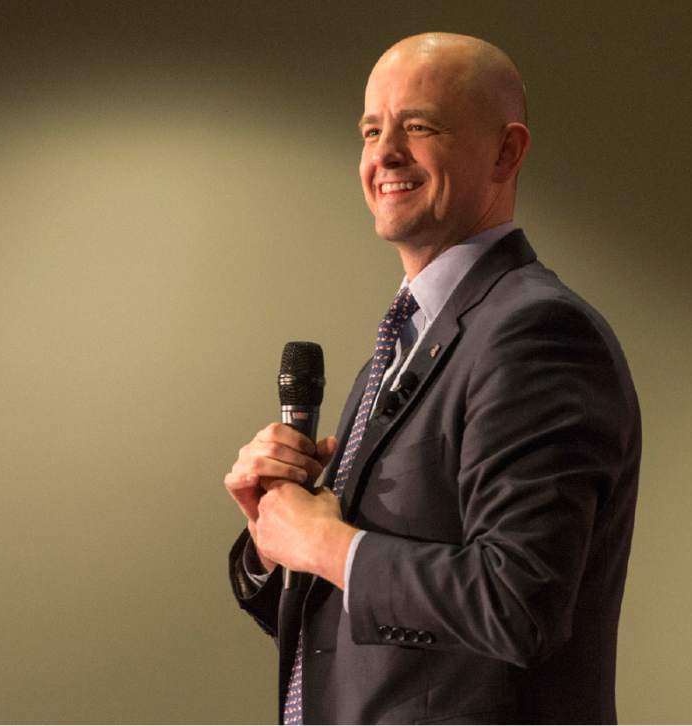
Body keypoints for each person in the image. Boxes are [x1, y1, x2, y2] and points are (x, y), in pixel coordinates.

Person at [224, 32, 641, 725]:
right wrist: (276, 536)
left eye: (418, 127)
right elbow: (360, 631)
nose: (384, 153)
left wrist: (328, 543)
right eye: (371, 130)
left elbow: (519, 606)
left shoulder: (535, 334)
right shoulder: (400, 347)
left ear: (507, 151)